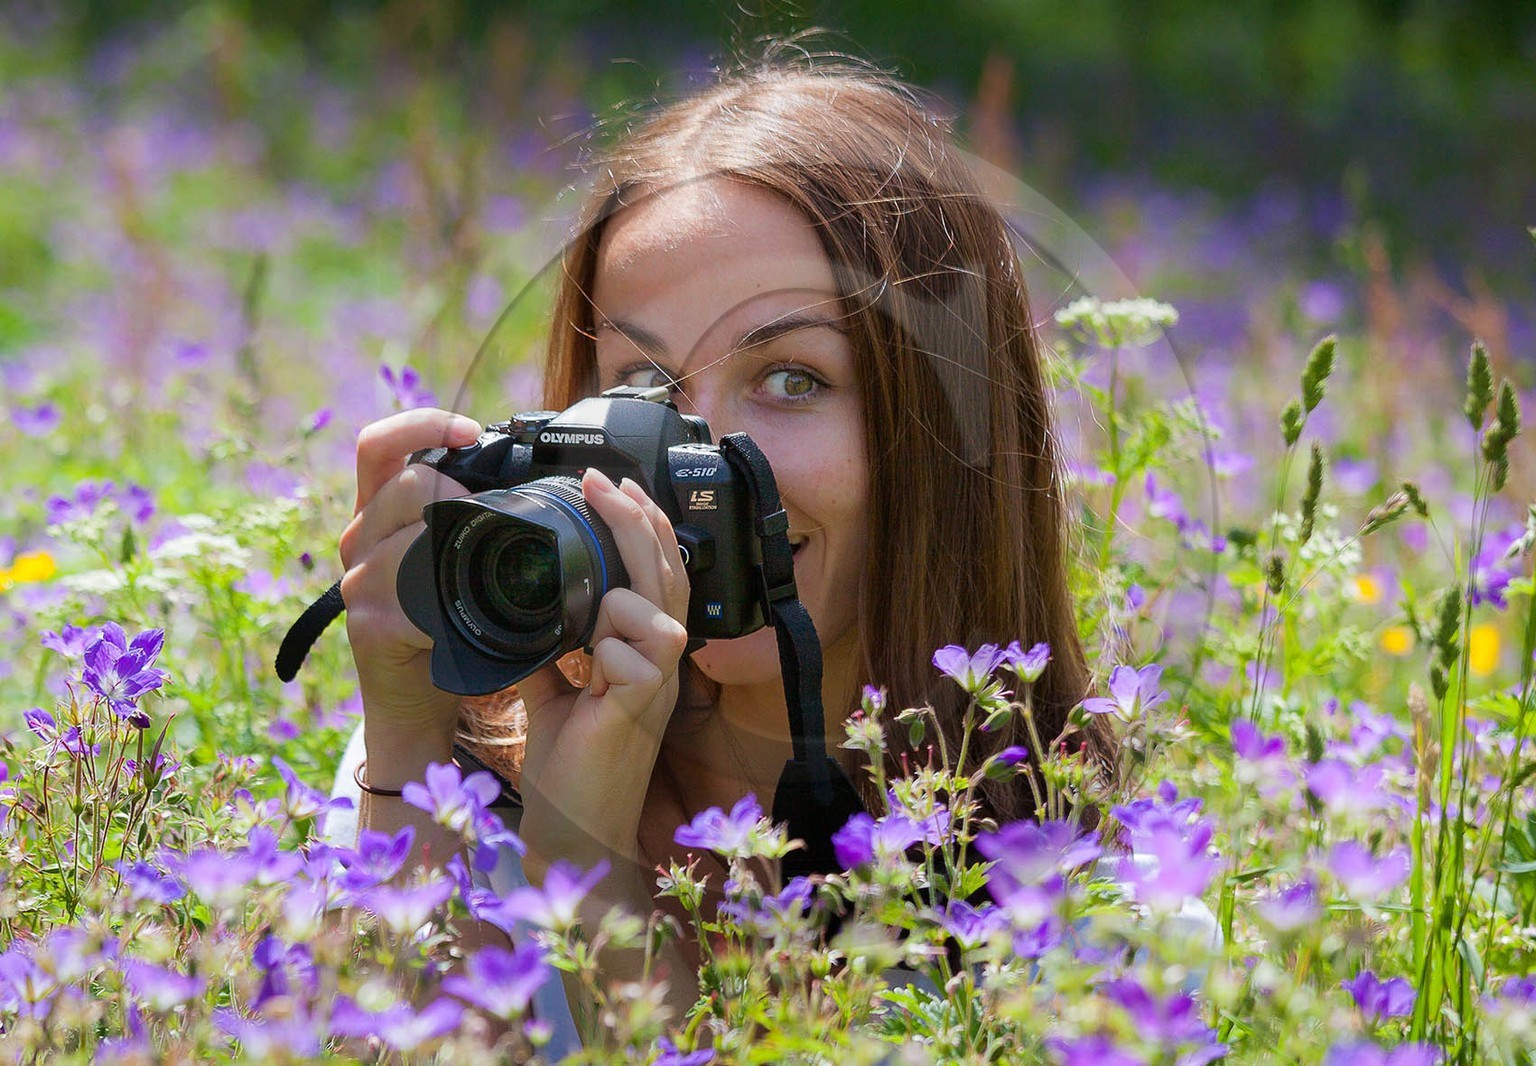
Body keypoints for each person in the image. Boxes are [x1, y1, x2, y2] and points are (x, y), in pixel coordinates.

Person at [326, 43, 1123, 1053]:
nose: (689, 458)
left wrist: (591, 876)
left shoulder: (1075, 889)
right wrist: (406, 740)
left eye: (791, 378)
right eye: (644, 387)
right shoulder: (449, 786)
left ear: (941, 442)